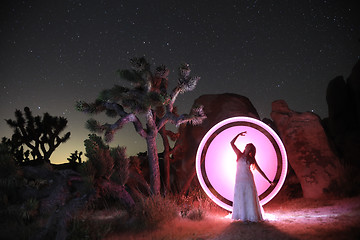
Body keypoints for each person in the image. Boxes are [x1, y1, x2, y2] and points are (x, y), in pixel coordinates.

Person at [231, 132, 273, 222]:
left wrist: (269, 181)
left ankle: (251, 216)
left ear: (251, 150)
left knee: (249, 196)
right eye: (247, 146)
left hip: (248, 179)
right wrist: (238, 134)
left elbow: (259, 170)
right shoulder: (239, 154)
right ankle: (242, 216)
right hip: (239, 179)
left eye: (249, 147)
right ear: (245, 147)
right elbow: (231, 143)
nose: (247, 147)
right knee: (240, 195)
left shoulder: (251, 159)